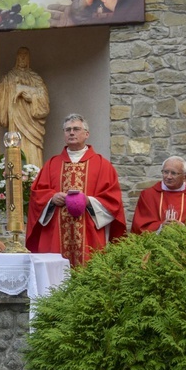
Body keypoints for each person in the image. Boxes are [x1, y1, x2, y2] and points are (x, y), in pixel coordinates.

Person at [26, 114, 126, 266]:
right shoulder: (51, 164)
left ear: (86, 134)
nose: (71, 133)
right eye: (68, 130)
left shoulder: (102, 165)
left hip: (89, 233)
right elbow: (37, 195)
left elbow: (112, 200)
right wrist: (52, 199)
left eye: (76, 129)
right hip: (56, 234)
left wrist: (88, 201)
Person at [0, 46, 50, 167]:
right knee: (15, 152)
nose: (22, 59)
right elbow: (1, 101)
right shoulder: (9, 78)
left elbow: (44, 100)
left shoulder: (36, 78)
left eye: (25, 56)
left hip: (32, 126)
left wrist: (31, 96)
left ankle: (34, 182)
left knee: (32, 155)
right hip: (15, 123)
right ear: (17, 58)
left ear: (28, 59)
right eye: (20, 56)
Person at [131, 156, 186, 234]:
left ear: (185, 177)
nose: (168, 176)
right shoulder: (148, 195)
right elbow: (140, 225)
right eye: (165, 172)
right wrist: (160, 226)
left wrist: (184, 228)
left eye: (174, 173)